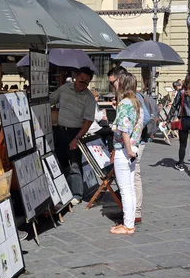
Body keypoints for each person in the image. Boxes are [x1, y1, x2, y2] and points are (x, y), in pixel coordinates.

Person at [108, 66, 149, 224]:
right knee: (130, 187)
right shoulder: (133, 101)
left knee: (127, 187)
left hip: (126, 148)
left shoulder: (127, 102)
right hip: (133, 146)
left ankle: (130, 220)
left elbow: (125, 129)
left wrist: (130, 146)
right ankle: (130, 217)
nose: (113, 86)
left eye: (114, 83)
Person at [50, 67, 97, 206]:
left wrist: (77, 138)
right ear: (76, 77)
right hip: (59, 130)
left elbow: (88, 121)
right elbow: (51, 99)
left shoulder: (89, 98)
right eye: (81, 80)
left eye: (86, 82)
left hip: (75, 132)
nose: (83, 84)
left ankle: (77, 194)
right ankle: (63, 190)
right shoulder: (64, 89)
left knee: (75, 164)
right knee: (60, 161)